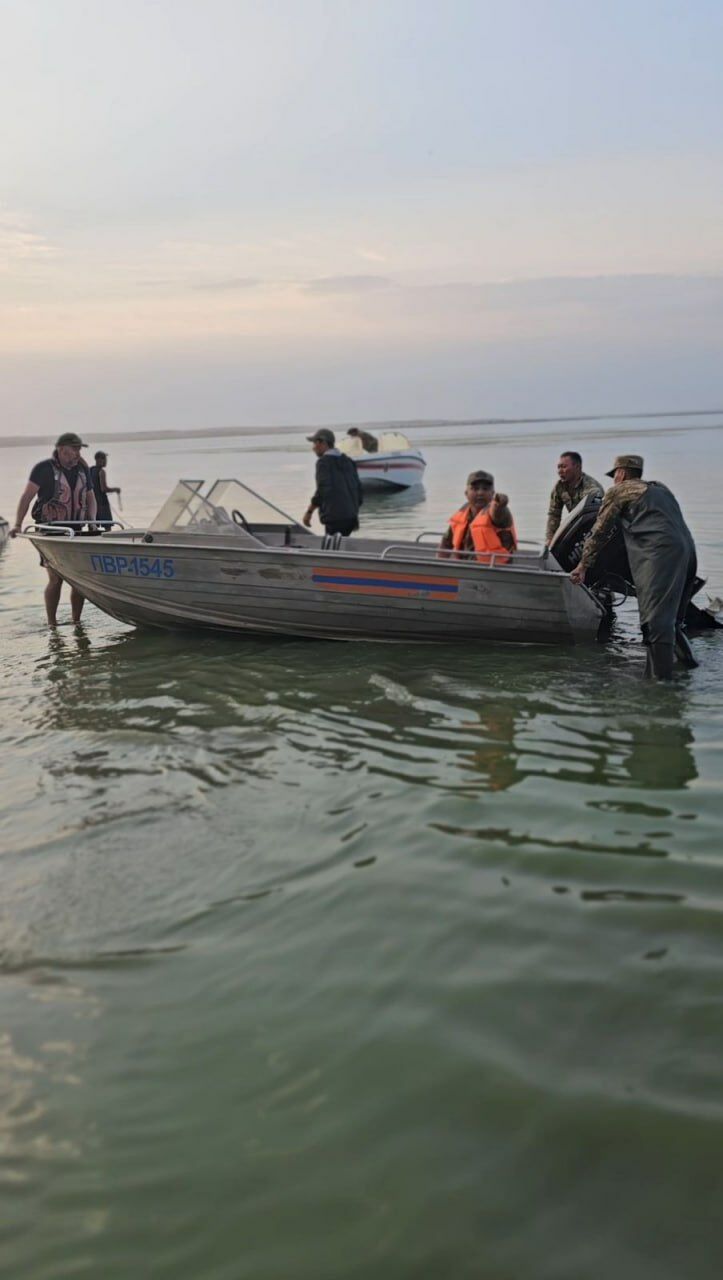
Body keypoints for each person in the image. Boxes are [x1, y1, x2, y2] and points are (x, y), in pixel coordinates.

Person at [570, 454, 698, 680]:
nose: (613, 480)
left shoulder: (619, 491)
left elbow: (598, 533)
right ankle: (690, 668)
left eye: (614, 476)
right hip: (688, 553)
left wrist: (582, 566)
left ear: (621, 473)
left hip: (661, 554)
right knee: (673, 623)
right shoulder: (661, 489)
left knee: (655, 624)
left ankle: (660, 689)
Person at [9, 431, 97, 626]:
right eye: (74, 449)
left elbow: (90, 497)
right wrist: (17, 524)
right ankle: (52, 624)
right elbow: (27, 496)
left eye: (79, 449)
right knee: (56, 579)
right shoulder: (43, 469)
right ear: (61, 449)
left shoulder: (83, 469)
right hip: (51, 533)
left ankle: (76, 621)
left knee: (79, 580)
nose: (77, 453)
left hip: (77, 531)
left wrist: (92, 520)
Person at [439, 470, 517, 561]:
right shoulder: (462, 513)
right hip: (463, 567)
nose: (480, 493)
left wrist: (499, 504)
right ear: (466, 493)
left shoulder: (499, 512)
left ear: (492, 493)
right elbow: (446, 543)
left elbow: (498, 514)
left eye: (485, 489)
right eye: (475, 489)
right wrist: (439, 565)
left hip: (495, 570)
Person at [303, 428, 363, 537]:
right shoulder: (348, 461)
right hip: (352, 518)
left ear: (323, 443)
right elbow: (359, 490)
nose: (313, 448)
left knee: (331, 550)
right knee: (341, 547)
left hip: (335, 519)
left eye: (315, 443)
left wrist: (309, 512)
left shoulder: (323, 463)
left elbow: (323, 490)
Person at [545, 451, 603, 545]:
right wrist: (550, 540)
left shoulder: (592, 489)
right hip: (577, 527)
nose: (560, 471)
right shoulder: (559, 487)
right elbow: (554, 515)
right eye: (558, 467)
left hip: (594, 530)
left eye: (564, 467)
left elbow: (595, 518)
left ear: (577, 467)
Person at [89, 451, 121, 524]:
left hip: (92, 503)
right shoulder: (101, 471)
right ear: (99, 460)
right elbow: (103, 489)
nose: (106, 462)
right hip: (102, 503)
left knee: (93, 525)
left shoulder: (90, 470)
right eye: (104, 459)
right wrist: (116, 489)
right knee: (107, 525)